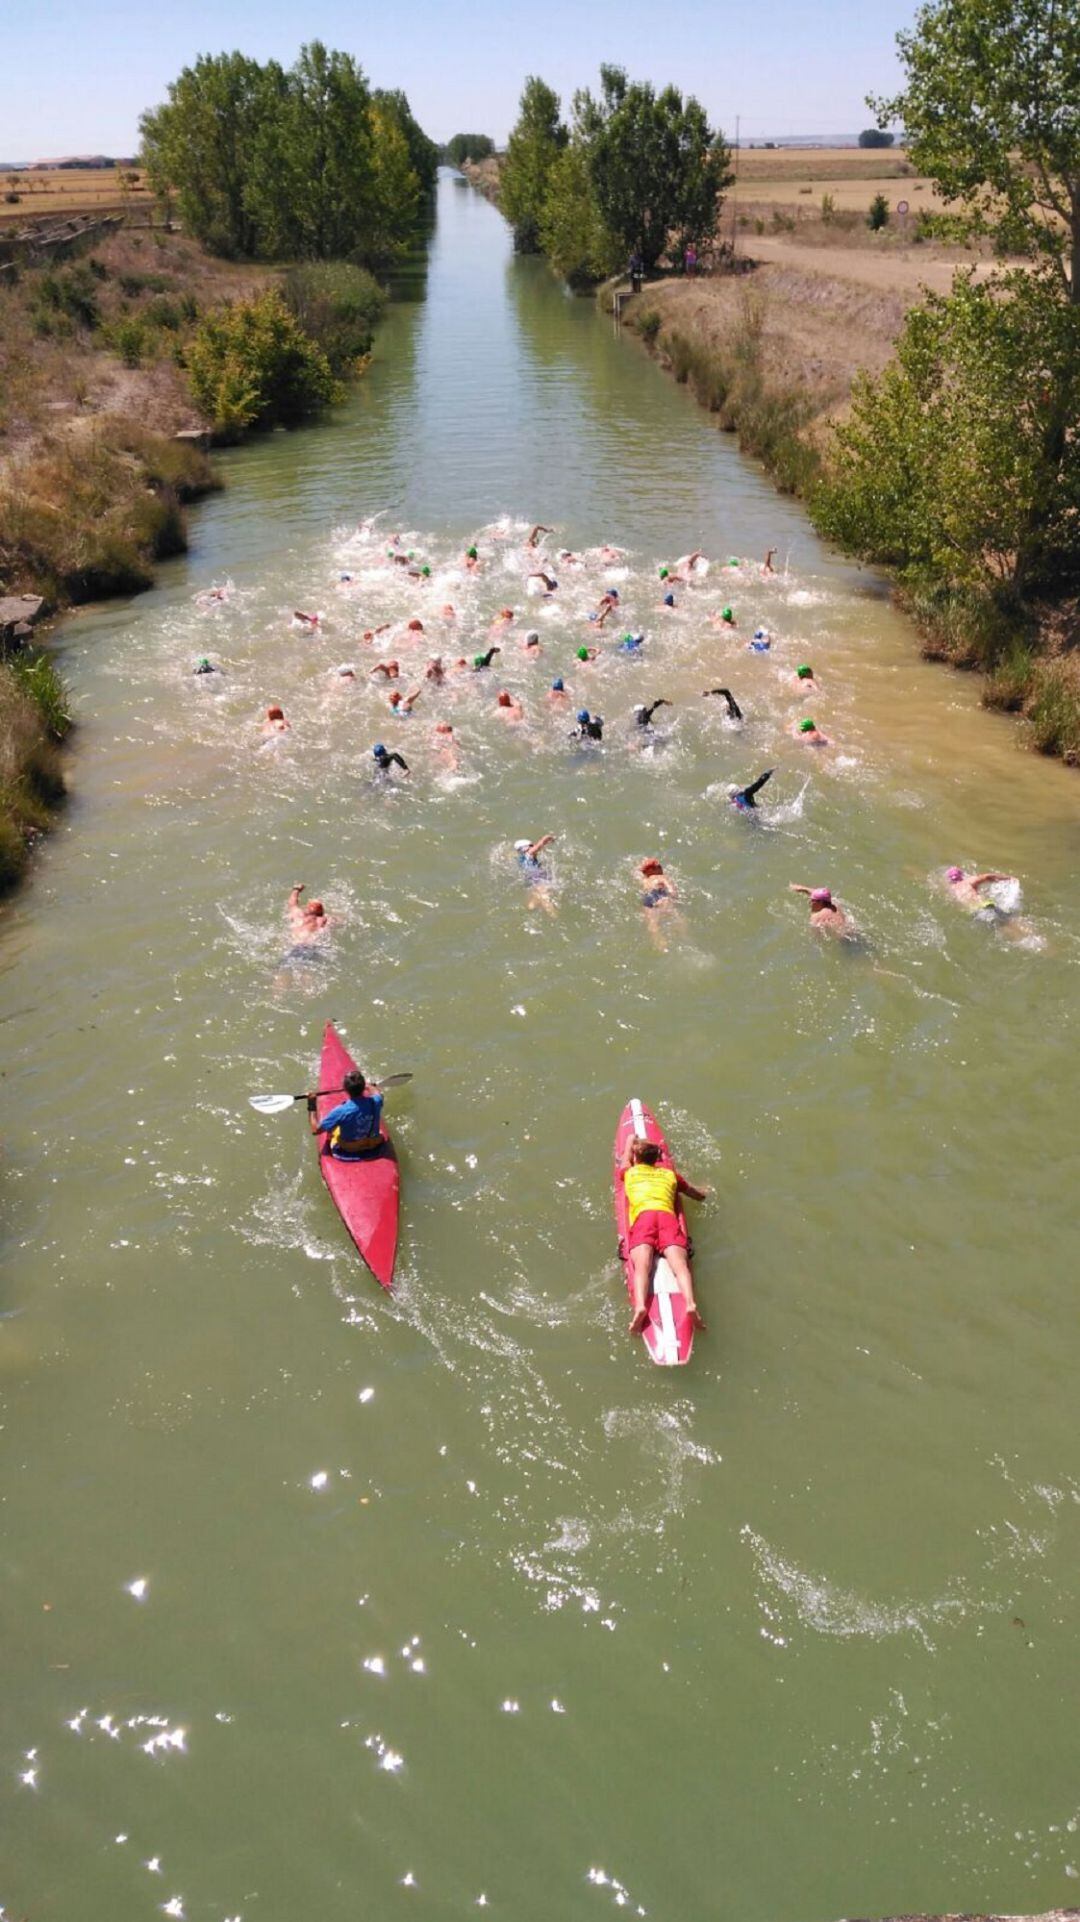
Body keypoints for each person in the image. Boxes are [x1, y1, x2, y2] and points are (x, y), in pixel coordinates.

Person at [618, 1135, 707, 1337]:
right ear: (657, 1159)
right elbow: (696, 1194)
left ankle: (640, 1306)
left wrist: (629, 1140)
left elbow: (624, 1158)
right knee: (680, 1266)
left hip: (644, 1218)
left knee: (642, 1266)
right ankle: (691, 1304)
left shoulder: (630, 1172)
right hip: (667, 1218)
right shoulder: (670, 1175)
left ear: (636, 1159)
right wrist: (706, 1192)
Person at [308, 1069, 385, 1159]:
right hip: (374, 1145)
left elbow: (315, 1130)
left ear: (345, 1089)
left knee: (332, 1128)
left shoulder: (341, 1111)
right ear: (363, 1086)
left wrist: (311, 1104)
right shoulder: (376, 1101)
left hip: (350, 1149)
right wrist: (369, 1086)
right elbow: (376, 1092)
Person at [943, 866, 1014, 920]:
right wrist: (1008, 878)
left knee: (1000, 927)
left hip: (974, 913)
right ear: (962, 876)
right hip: (984, 905)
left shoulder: (952, 890)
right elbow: (987, 876)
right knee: (1009, 921)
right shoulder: (967, 881)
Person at [789, 884, 854, 939]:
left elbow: (815, 935)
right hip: (852, 930)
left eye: (813, 900)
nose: (810, 902)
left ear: (820, 902)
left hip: (843, 939)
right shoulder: (834, 904)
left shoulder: (817, 916)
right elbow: (818, 893)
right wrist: (803, 889)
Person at [515, 833, 556, 914]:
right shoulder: (529, 853)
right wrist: (548, 837)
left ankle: (532, 906)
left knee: (537, 894)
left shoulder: (520, 858)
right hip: (538, 876)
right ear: (526, 848)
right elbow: (539, 845)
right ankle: (554, 916)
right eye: (532, 845)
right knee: (545, 897)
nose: (533, 846)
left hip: (529, 878)